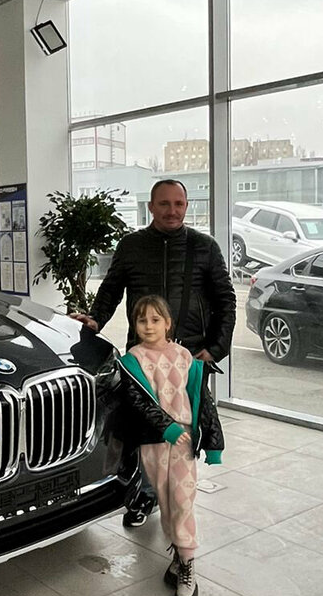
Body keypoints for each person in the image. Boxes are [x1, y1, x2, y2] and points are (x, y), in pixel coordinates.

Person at [71, 178, 236, 527]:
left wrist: (215, 349)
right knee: (146, 431)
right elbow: (111, 289)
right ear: (151, 207)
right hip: (142, 359)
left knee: (184, 431)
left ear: (186, 206)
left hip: (189, 359)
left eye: (179, 204)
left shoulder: (205, 247)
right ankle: (147, 493)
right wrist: (95, 319)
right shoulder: (131, 245)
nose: (172, 211)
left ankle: (178, 494)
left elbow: (226, 300)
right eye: (164, 204)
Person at [110, 294, 224, 596]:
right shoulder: (133, 360)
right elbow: (139, 403)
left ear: (168, 323)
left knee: (183, 499)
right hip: (154, 442)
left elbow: (203, 400)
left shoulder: (184, 356)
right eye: (142, 320)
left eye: (155, 319)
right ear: (134, 325)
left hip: (184, 441)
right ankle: (178, 556)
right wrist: (166, 427)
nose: (149, 326)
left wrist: (214, 443)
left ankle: (187, 565)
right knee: (167, 500)